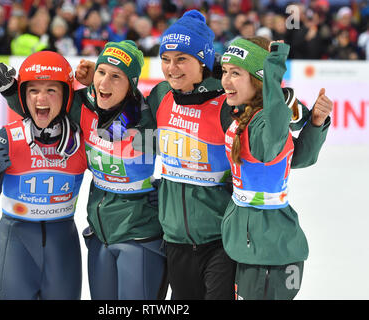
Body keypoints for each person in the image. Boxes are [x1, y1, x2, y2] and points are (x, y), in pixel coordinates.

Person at [133, 10, 331, 300]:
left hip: (221, 240)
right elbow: (138, 136)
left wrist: (307, 116)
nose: (171, 68)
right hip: (175, 239)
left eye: (181, 59)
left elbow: (281, 135)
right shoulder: (161, 94)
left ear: (202, 61)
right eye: (165, 59)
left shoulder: (226, 103)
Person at [0, 40, 166, 300]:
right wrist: (10, 90)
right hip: (99, 231)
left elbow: (186, 152)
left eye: (116, 76)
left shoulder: (147, 119)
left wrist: (168, 188)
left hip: (139, 231)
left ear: (132, 82)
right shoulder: (85, 110)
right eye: (102, 73)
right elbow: (44, 110)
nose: (104, 83)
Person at [220, 37, 332, 299]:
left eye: (236, 73)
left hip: (270, 250)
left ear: (258, 80)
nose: (226, 81)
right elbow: (297, 157)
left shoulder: (265, 123)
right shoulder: (247, 115)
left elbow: (271, 146)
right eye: (225, 72)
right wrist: (313, 123)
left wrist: (273, 72)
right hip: (250, 242)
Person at [0, 51, 87, 299]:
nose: (41, 98)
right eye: (33, 90)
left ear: (67, 95)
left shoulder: (81, 141)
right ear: (22, 95)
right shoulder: (6, 139)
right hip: (14, 245)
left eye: (51, 90)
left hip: (63, 247)